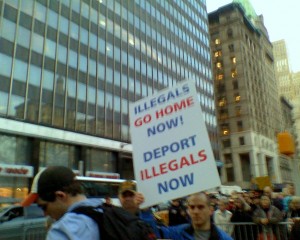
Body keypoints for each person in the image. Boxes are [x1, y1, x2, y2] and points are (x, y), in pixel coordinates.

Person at [21, 166, 101, 240]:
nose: (45, 214)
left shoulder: (62, 231)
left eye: (44, 207)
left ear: (60, 196)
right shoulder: (106, 212)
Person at [160, 192, 233, 240]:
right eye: (192, 207)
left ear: (211, 210)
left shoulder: (223, 238)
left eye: (201, 207)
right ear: (188, 210)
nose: (196, 211)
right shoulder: (178, 232)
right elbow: (154, 232)